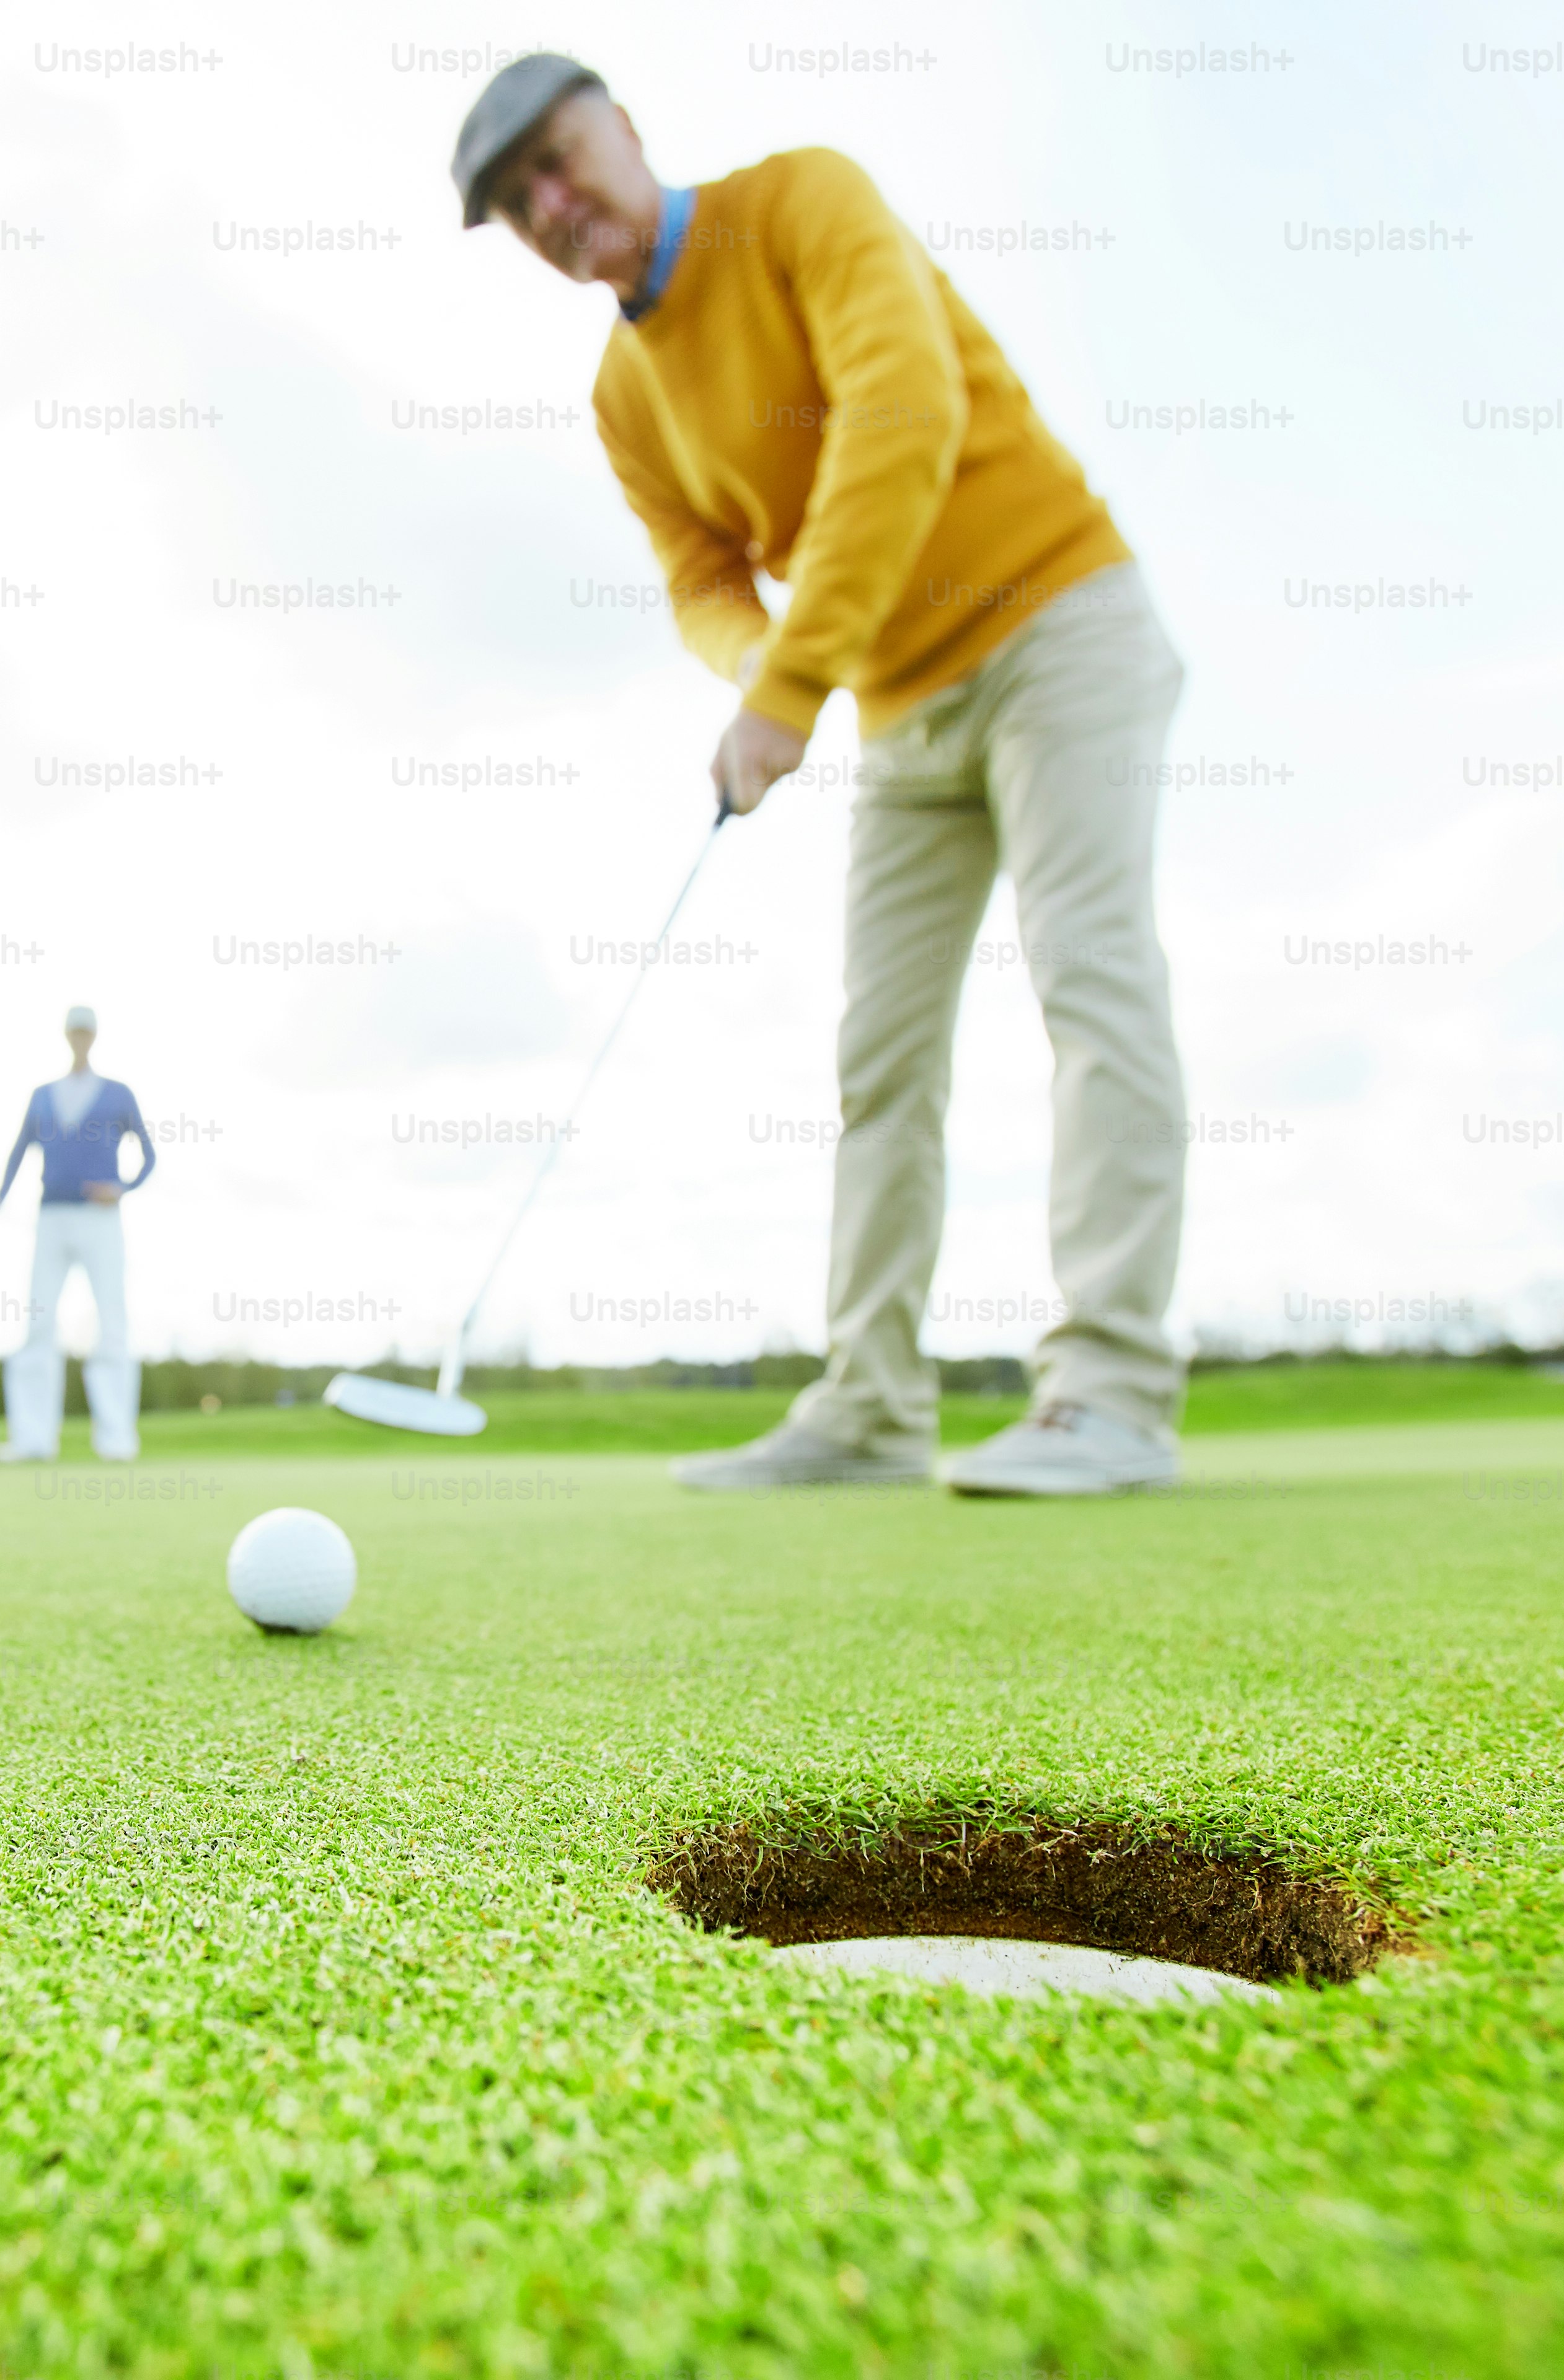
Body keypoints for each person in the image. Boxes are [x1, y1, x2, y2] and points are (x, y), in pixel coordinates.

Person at [451, 55, 1191, 1497]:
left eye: (556, 157)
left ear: (622, 124)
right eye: (514, 203)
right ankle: (868, 1406)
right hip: (901, 703)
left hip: (1057, 622)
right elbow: (696, 577)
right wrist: (755, 667)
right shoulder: (621, 395)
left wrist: (794, 686)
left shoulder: (799, 200)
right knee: (878, 1060)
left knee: (1087, 978)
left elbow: (896, 416)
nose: (550, 205)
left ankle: (1107, 1391)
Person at [0, 1005, 155, 1462]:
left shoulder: (118, 1094)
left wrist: (123, 1189)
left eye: (86, 1032)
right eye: (74, 1031)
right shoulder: (42, 1095)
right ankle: (33, 1439)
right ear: (67, 1036)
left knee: (112, 1324)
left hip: (101, 1221)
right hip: (51, 1218)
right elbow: (19, 1150)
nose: (80, 1038)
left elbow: (149, 1155)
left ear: (93, 1037)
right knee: (38, 1323)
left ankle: (117, 1438)